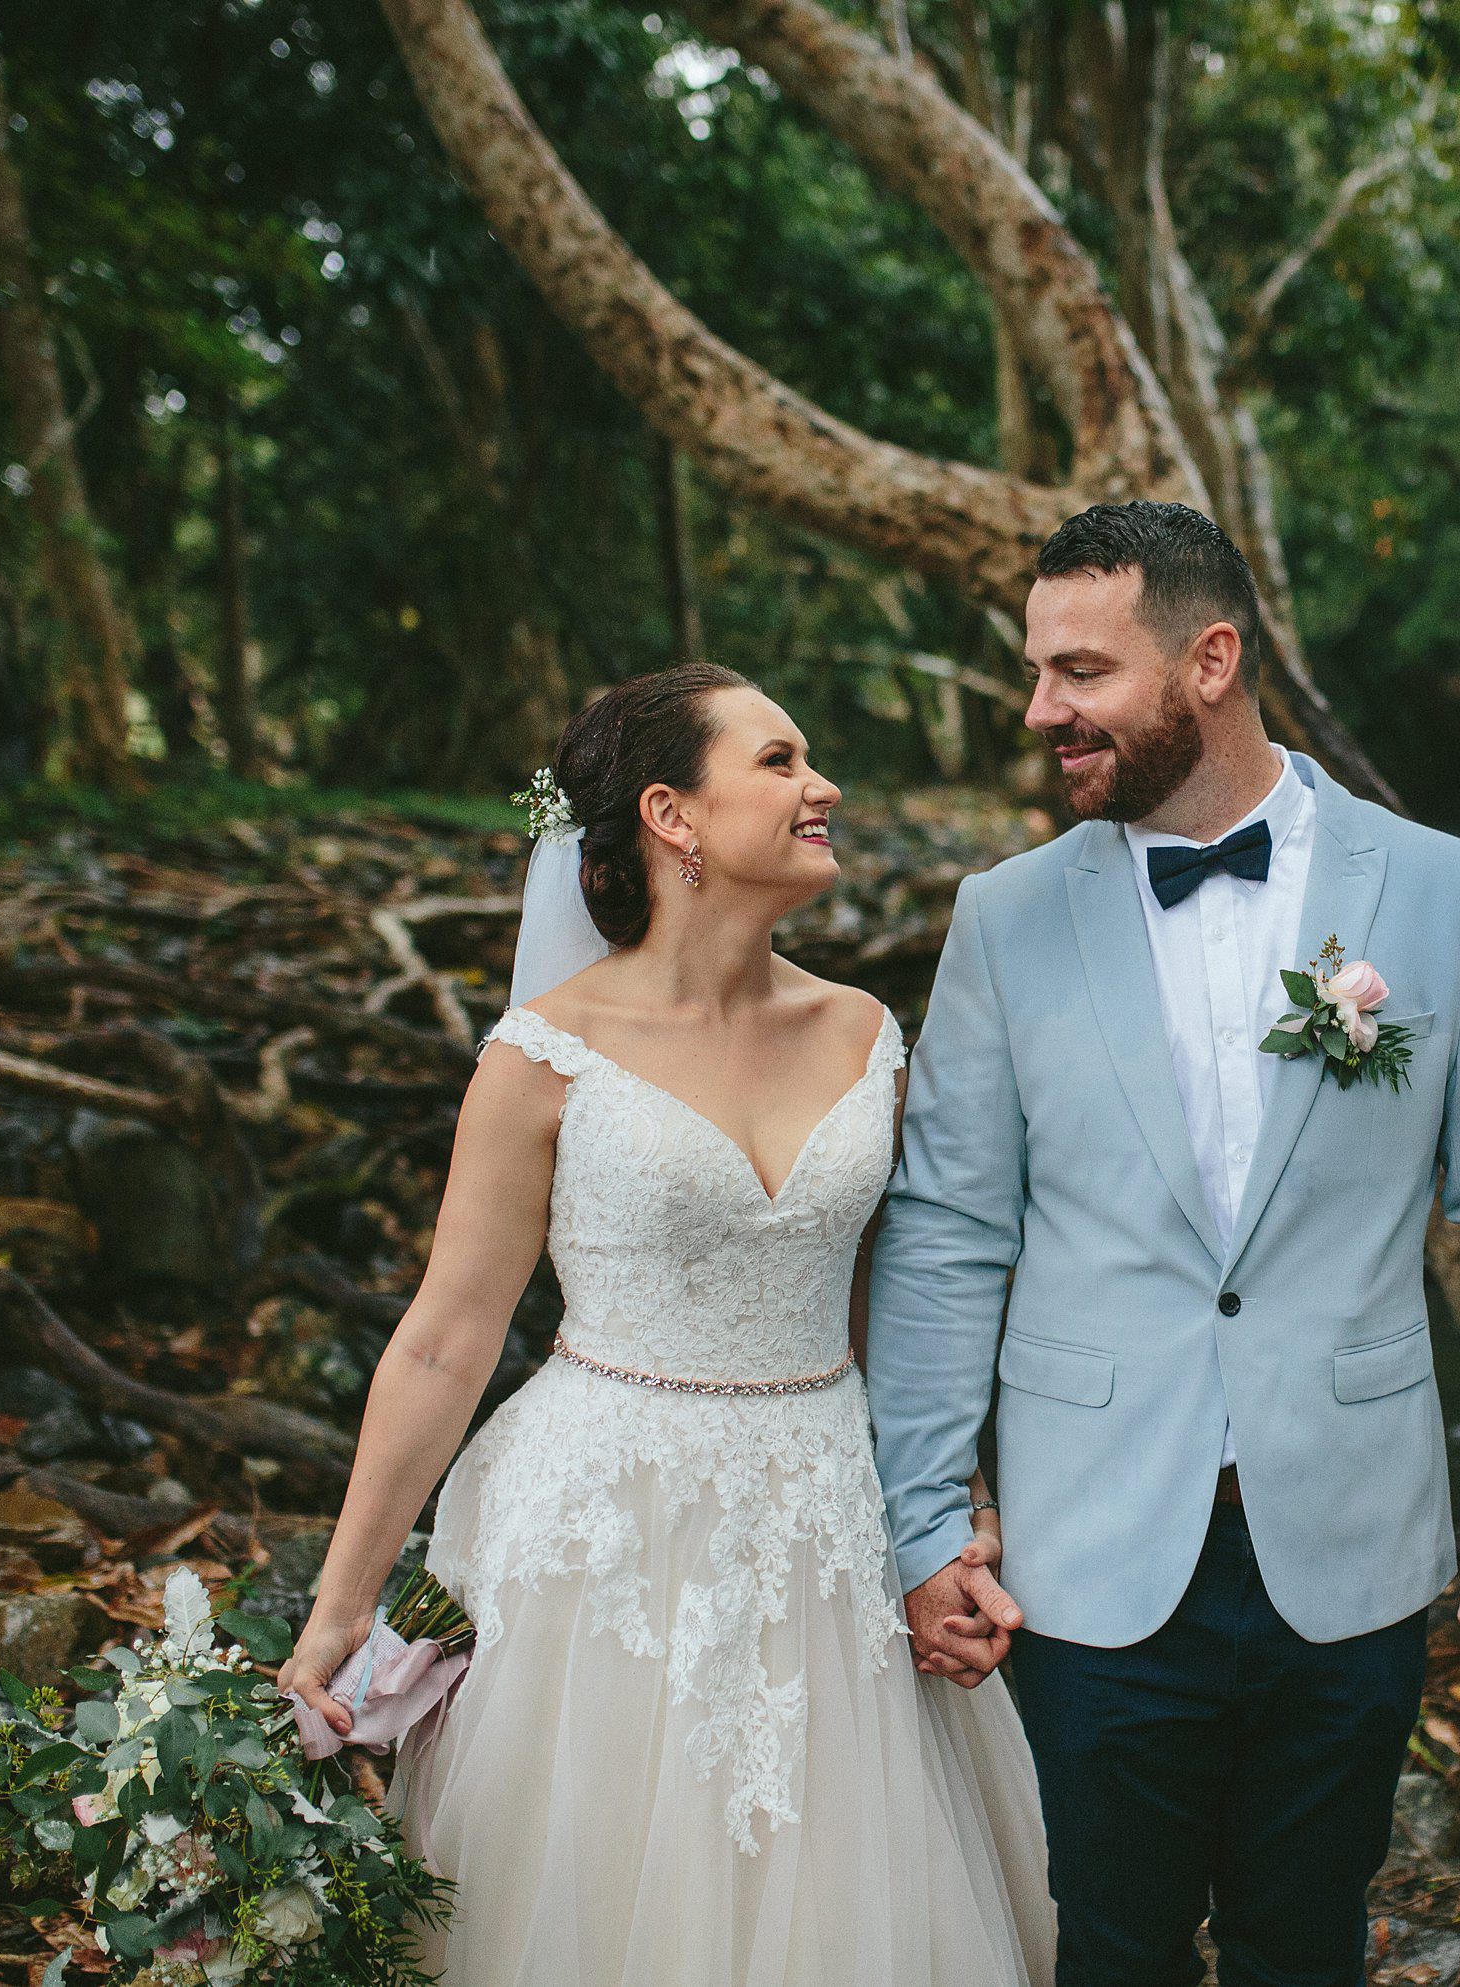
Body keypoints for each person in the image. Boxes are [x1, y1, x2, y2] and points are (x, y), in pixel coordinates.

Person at [867, 501, 1460, 1987]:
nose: (1040, 712)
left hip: (1350, 1532)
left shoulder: (1447, 893)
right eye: (1037, 671)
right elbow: (948, 1229)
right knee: (1114, 1946)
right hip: (1085, 1547)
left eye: (1081, 673)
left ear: (1210, 659)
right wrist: (925, 1513)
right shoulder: (1003, 919)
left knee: (1305, 1944)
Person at [274, 662, 1055, 1986]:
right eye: (781, 762)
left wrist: (952, 1512)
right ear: (671, 817)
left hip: (829, 1524)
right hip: (606, 1538)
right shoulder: (544, 1054)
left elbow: (889, 1318)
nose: (826, 789)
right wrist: (340, 1608)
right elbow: (447, 1336)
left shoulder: (867, 1033)